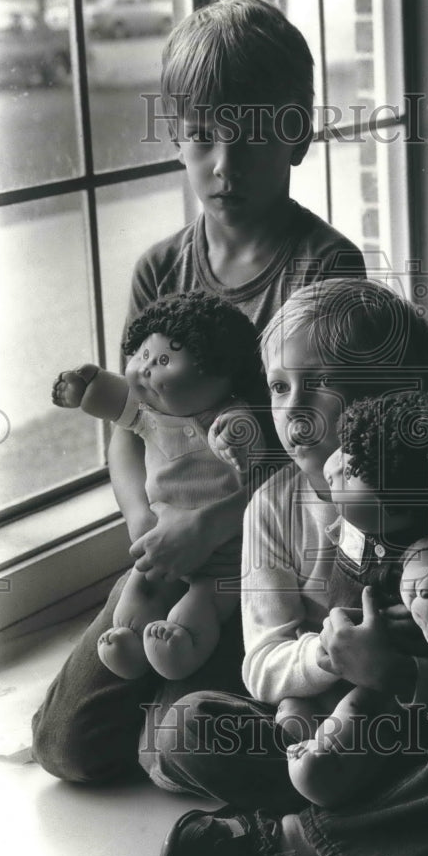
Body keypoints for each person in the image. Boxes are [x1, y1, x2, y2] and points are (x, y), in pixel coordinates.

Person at [31, 0, 366, 783]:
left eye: (252, 136)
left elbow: (324, 453)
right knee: (63, 746)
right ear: (177, 140)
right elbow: (128, 422)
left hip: (274, 563)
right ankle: (181, 702)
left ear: (298, 134)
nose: (224, 163)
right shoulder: (159, 269)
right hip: (171, 559)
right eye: (202, 138)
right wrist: (148, 522)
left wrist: (211, 525)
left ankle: (273, 724)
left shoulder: (325, 269)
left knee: (173, 744)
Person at [148, 279, 428, 856]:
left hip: (416, 738)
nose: (291, 407)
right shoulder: (270, 509)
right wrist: (331, 656)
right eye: (278, 385)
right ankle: (401, 828)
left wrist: (401, 673)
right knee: (184, 729)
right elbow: (262, 663)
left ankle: (288, 839)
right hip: (304, 735)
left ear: (398, 399)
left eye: (320, 383)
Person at [52, 291, 266, 681]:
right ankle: (129, 641)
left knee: (205, 600)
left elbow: (249, 444)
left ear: (218, 376)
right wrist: (85, 387)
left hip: (224, 553)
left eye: (164, 361)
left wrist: (236, 439)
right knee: (139, 589)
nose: (147, 369)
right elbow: (115, 396)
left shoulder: (226, 416)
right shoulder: (149, 413)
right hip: (159, 541)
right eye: (145, 355)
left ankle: (182, 644)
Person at [281, 390, 428, 807]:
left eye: (350, 473)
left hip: (383, 688)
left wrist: (424, 593)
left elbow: (424, 569)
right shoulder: (353, 524)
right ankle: (356, 777)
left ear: (396, 509)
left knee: (358, 715)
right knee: (202, 719)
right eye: (344, 452)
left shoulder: (420, 546)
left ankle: (322, 769)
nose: (334, 469)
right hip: (333, 662)